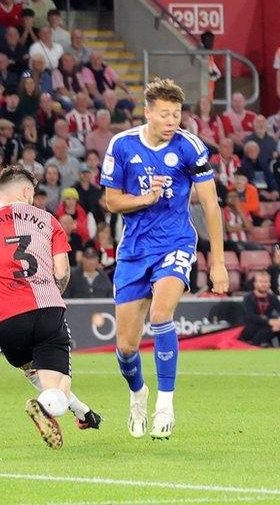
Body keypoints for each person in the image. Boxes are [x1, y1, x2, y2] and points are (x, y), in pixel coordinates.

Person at [100, 78, 228, 439]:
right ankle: (138, 394)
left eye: (177, 113)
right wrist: (145, 199)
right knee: (126, 347)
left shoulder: (190, 147)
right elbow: (111, 201)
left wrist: (217, 262)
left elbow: (210, 204)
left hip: (176, 242)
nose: (173, 120)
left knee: (160, 315)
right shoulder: (122, 145)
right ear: (148, 113)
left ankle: (165, 406)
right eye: (166, 114)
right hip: (134, 249)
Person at [0, 166, 102, 449]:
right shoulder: (48, 220)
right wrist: (50, 294)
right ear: (27, 191)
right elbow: (62, 272)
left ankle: (82, 412)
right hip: (45, 311)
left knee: (44, 380)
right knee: (58, 384)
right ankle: (47, 408)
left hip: (6, 323)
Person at [239, 271, 280, 348]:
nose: (263, 284)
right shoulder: (248, 298)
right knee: (269, 326)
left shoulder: (272, 297)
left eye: (266, 282)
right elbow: (251, 316)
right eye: (261, 282)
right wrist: (269, 321)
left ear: (269, 283)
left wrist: (279, 320)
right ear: (255, 284)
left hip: (267, 326)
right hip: (251, 327)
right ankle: (255, 345)